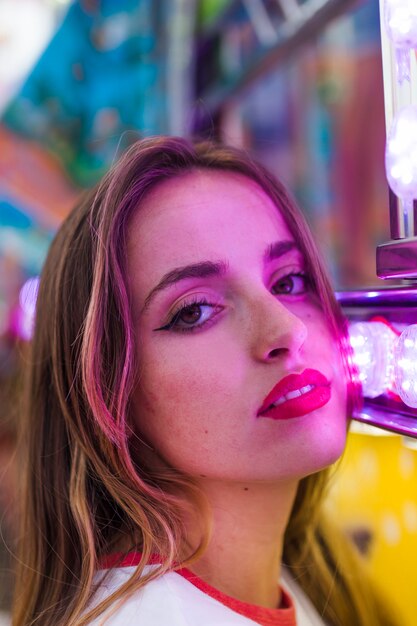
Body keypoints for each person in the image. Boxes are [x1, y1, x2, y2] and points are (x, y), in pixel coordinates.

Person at [12, 137, 397, 626]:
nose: (286, 330)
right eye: (194, 311)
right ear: (107, 393)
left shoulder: (284, 588)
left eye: (290, 281)